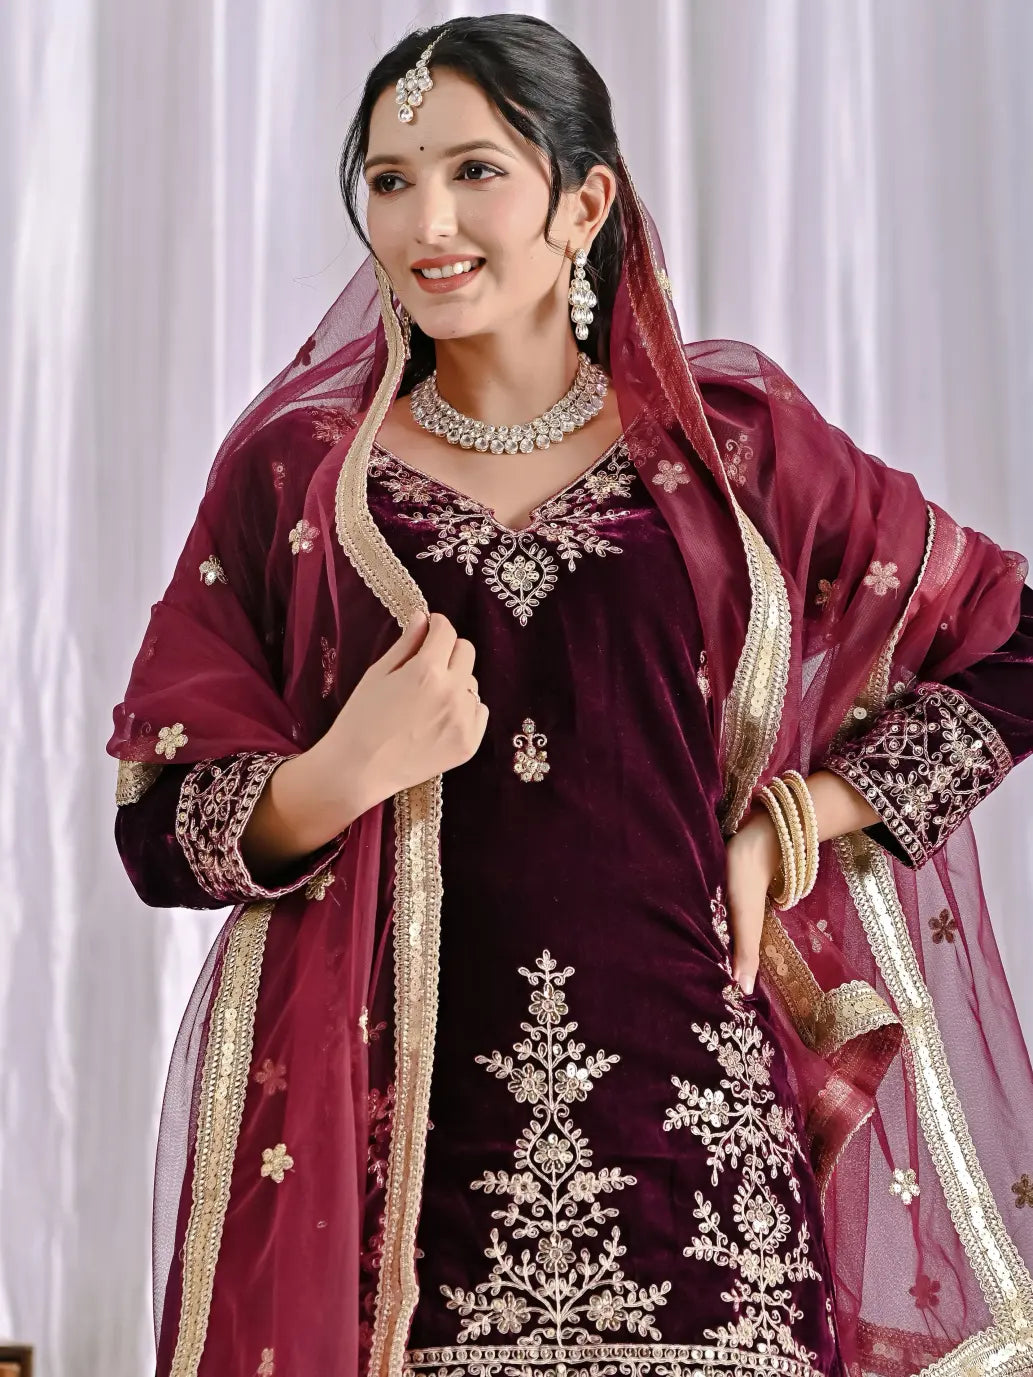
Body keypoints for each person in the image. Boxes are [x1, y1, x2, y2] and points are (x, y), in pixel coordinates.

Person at [107, 15, 1033, 1377]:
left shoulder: (729, 455)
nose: (427, 221)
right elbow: (158, 822)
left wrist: (796, 821)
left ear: (583, 203)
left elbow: (1011, 641)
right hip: (401, 1186)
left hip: (702, 1165)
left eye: (475, 170)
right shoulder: (302, 476)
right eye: (390, 180)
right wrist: (343, 769)